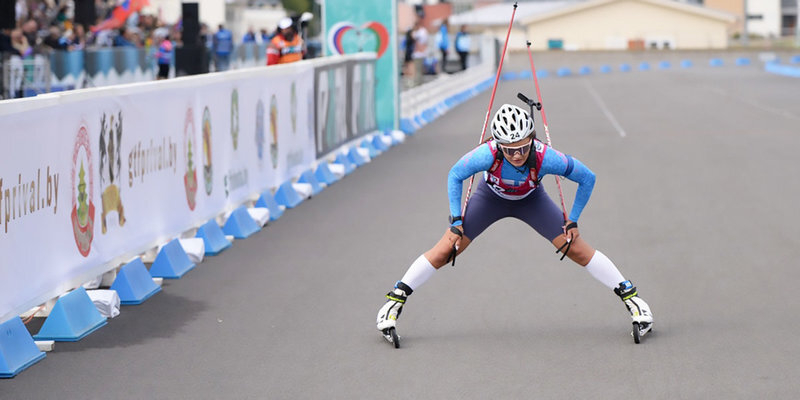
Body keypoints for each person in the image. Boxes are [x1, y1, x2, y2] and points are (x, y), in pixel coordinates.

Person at [376, 103, 654, 341]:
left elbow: (587, 178)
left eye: (522, 147)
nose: (517, 155)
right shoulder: (487, 154)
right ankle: (394, 301)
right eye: (509, 150)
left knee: (575, 248)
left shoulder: (546, 157)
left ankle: (633, 299)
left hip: (532, 201)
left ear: (531, 139)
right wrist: (456, 220)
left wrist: (573, 219)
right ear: (498, 145)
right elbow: (455, 175)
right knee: (448, 248)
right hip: (490, 199)